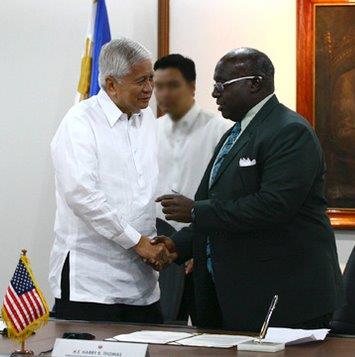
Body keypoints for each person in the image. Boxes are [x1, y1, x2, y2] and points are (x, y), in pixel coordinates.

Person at [152, 48, 344, 331]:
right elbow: (214, 206)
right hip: (229, 298)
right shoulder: (233, 134)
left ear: (255, 83)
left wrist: (195, 210)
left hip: (282, 299)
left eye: (221, 86)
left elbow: (273, 206)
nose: (215, 94)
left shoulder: (289, 131)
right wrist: (176, 245)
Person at [49, 38, 169, 324]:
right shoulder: (80, 121)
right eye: (141, 80)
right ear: (111, 85)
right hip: (91, 286)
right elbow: (82, 195)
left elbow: (151, 188)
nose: (150, 89)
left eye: (152, 78)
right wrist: (136, 241)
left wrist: (174, 243)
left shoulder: (147, 118)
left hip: (143, 285)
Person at [154, 54, 232, 324]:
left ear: (192, 86)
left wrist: (202, 247)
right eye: (158, 86)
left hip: (203, 247)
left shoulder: (221, 131)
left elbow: (226, 197)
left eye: (172, 85)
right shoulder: (147, 133)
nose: (164, 93)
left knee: (206, 335)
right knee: (160, 333)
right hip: (160, 249)